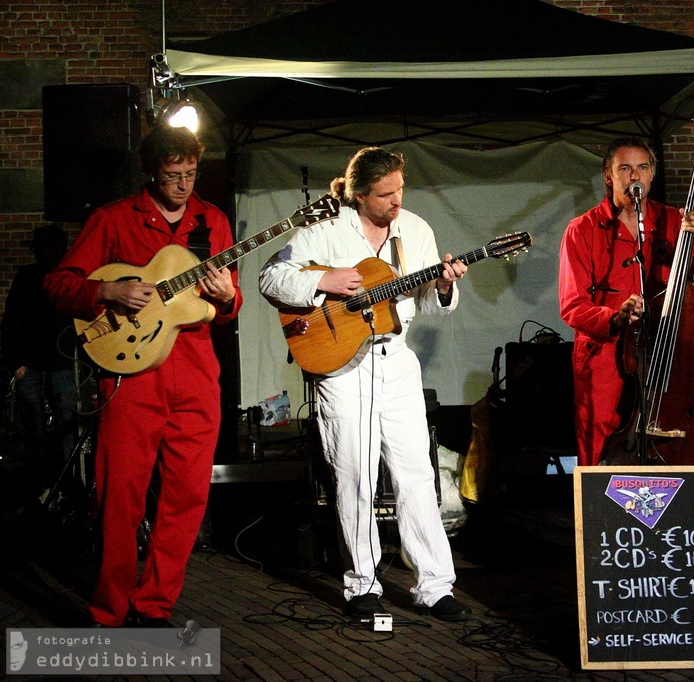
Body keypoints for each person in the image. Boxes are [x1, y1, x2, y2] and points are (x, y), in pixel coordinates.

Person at [259, 147, 472, 622]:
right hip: (341, 368)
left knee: (417, 474)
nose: (398, 200)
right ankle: (362, 585)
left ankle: (436, 586)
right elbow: (271, 277)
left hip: (396, 361)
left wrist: (443, 285)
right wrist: (325, 282)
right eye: (386, 193)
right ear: (359, 195)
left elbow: (435, 303)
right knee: (354, 476)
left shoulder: (415, 230)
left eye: (400, 189)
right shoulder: (325, 229)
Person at [44, 123, 242, 627]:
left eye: (191, 174)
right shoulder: (114, 220)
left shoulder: (212, 219)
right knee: (119, 497)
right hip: (132, 377)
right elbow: (58, 284)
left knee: (188, 495)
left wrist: (225, 297)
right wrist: (106, 294)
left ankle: (155, 605)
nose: (183, 185)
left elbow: (228, 304)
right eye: (173, 175)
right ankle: (108, 608)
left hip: (196, 372)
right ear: (151, 172)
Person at [558, 136, 694, 467]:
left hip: (666, 356)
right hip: (605, 360)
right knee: (601, 450)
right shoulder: (581, 230)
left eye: (643, 168)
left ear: (652, 174)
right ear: (609, 176)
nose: (635, 176)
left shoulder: (676, 222)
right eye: (625, 168)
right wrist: (615, 317)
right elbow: (572, 305)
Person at [1, 224, 77, 484]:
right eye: (38, 247)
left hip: (62, 363)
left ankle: (67, 479)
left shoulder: (70, 277)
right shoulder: (27, 277)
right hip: (31, 364)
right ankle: (39, 479)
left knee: (67, 425)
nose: (41, 252)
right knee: (34, 428)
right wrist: (16, 363)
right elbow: (10, 321)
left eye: (46, 246)